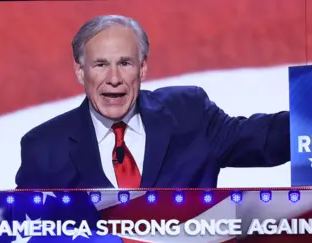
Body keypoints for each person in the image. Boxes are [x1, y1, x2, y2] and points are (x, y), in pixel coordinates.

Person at [15, 14, 290, 190]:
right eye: (100, 65)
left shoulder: (189, 114)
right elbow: (20, 235)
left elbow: (265, 139)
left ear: (142, 68)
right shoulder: (44, 147)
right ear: (80, 71)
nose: (114, 78)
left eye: (125, 63)